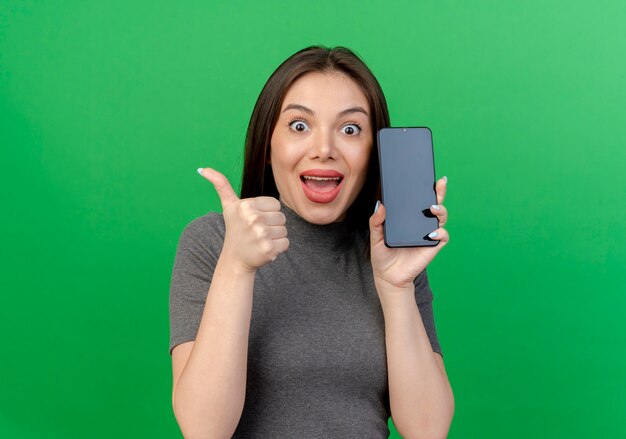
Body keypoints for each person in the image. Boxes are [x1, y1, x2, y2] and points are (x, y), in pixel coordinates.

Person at [169, 45, 454, 438]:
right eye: (299, 125)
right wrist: (237, 267)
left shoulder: (391, 254)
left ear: (375, 153)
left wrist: (396, 286)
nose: (324, 149)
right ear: (268, 146)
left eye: (350, 129)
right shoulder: (212, 242)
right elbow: (204, 429)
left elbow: (428, 429)